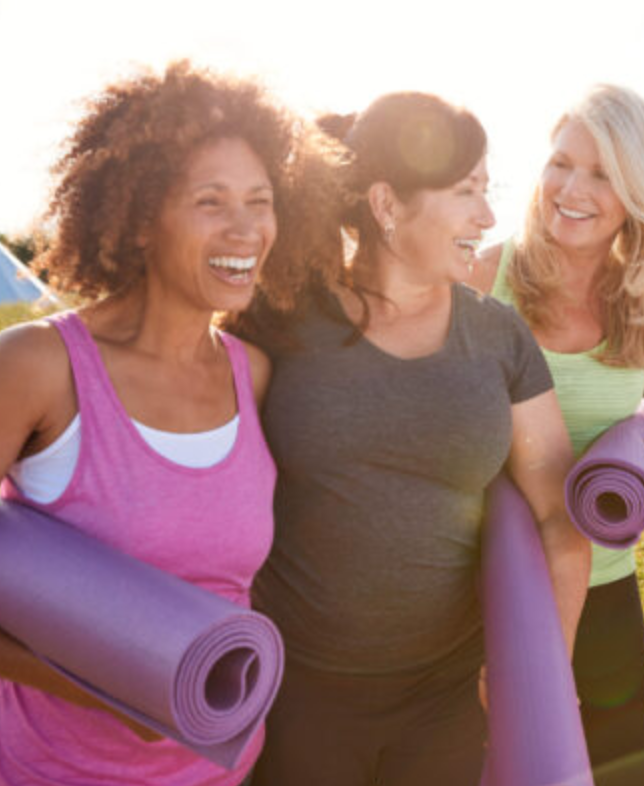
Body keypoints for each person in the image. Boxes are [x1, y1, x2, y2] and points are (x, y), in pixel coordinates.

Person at [0, 61, 339, 785]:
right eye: (211, 201)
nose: (246, 228)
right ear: (141, 220)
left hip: (219, 772)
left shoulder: (254, 375)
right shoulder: (37, 367)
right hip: (52, 770)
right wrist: (104, 683)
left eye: (260, 201)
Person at [237, 92, 591, 786]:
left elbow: (559, 517)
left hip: (446, 699)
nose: (487, 217)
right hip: (295, 691)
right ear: (387, 204)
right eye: (466, 192)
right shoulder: (277, 320)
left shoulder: (497, 335)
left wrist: (542, 671)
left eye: (487, 191)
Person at [470, 84, 644, 786]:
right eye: (561, 162)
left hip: (604, 588)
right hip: (483, 589)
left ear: (637, 191)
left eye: (601, 174)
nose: (571, 188)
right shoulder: (486, 275)